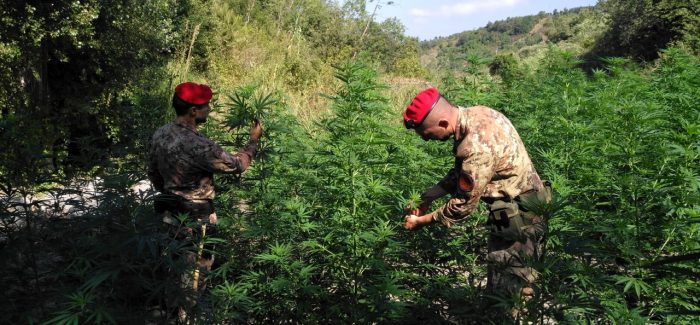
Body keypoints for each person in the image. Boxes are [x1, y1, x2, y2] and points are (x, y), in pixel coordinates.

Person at [402, 88, 552, 306]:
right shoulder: (477, 114)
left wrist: (422, 221)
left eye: (427, 134)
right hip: (525, 204)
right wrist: (428, 196)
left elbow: (462, 205)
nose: (427, 140)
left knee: (509, 289)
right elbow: (463, 173)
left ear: (443, 123)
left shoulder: (476, 145)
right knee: (517, 280)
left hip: (520, 216)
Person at [147, 81, 262, 321]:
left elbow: (154, 173)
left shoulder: (160, 134)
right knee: (194, 282)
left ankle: (170, 317)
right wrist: (253, 142)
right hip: (196, 221)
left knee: (170, 275)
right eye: (206, 106)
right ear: (193, 111)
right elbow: (237, 165)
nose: (209, 109)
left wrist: (172, 191)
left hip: (167, 217)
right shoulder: (198, 145)